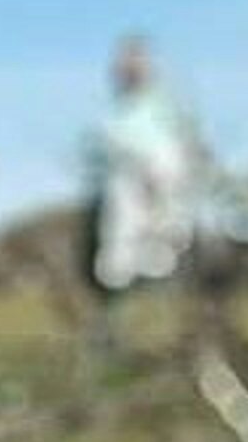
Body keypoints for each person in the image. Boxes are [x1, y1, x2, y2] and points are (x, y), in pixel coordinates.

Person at [82, 35, 203, 300]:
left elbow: (185, 135)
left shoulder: (164, 99)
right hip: (125, 168)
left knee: (163, 200)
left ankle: (158, 252)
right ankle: (119, 265)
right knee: (124, 212)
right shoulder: (119, 107)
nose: (130, 68)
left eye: (136, 62)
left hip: (160, 162)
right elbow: (108, 141)